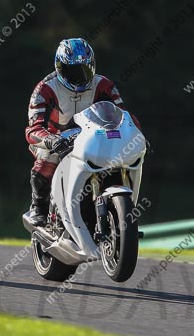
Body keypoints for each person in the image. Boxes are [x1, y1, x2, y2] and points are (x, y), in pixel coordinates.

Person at [24, 38, 140, 226]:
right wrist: (50, 140)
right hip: (56, 139)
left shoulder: (104, 85)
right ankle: (38, 206)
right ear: (59, 67)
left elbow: (123, 116)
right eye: (72, 70)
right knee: (47, 157)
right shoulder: (44, 88)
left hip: (94, 136)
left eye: (84, 69)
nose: (79, 76)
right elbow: (33, 128)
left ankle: (110, 207)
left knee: (117, 157)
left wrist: (136, 135)